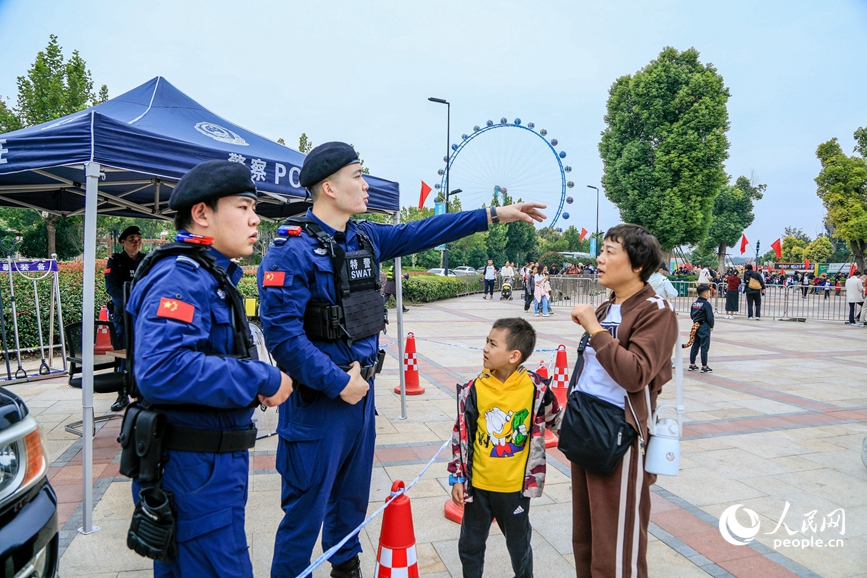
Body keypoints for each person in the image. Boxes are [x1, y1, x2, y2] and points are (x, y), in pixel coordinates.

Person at [256, 142, 546, 578]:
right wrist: (338, 383)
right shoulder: (289, 251)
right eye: (357, 175)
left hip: (361, 400)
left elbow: (427, 230)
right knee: (304, 512)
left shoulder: (365, 237)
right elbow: (282, 337)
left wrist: (494, 215)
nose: (365, 183)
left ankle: (346, 567)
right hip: (320, 404)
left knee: (352, 500)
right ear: (329, 187)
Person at [125, 160, 294, 578]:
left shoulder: (207, 274)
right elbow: (163, 369)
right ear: (202, 214)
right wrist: (263, 377)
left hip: (206, 464)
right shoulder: (181, 277)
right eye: (243, 206)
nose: (255, 219)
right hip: (195, 471)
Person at [567, 224, 678, 578]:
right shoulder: (605, 306)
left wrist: (595, 330)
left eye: (610, 252)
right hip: (586, 426)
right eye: (601, 251)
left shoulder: (655, 310)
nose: (599, 259)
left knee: (616, 545)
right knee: (585, 537)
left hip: (620, 435)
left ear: (637, 264)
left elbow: (635, 374)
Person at [448, 317, 562, 578]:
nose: (485, 348)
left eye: (492, 343)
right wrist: (457, 478)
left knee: (519, 546)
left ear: (514, 356)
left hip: (515, 490)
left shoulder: (536, 389)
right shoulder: (473, 389)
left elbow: (560, 422)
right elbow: (460, 437)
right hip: (477, 488)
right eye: (486, 341)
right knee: (470, 546)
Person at [104, 225, 145, 411]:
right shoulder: (115, 261)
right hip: (124, 317)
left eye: (138, 239)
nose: (135, 242)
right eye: (131, 239)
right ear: (122, 242)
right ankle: (122, 395)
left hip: (145, 316)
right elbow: (112, 289)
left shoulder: (147, 260)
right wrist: (133, 303)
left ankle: (144, 392)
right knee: (124, 356)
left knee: (145, 353)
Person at [688, 284, 715, 373]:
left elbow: (692, 315)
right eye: (709, 293)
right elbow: (710, 317)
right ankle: (704, 366)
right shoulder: (706, 304)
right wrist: (711, 326)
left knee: (695, 345)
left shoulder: (694, 304)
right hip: (704, 326)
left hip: (696, 326)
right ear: (706, 294)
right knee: (704, 346)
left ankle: (692, 364)